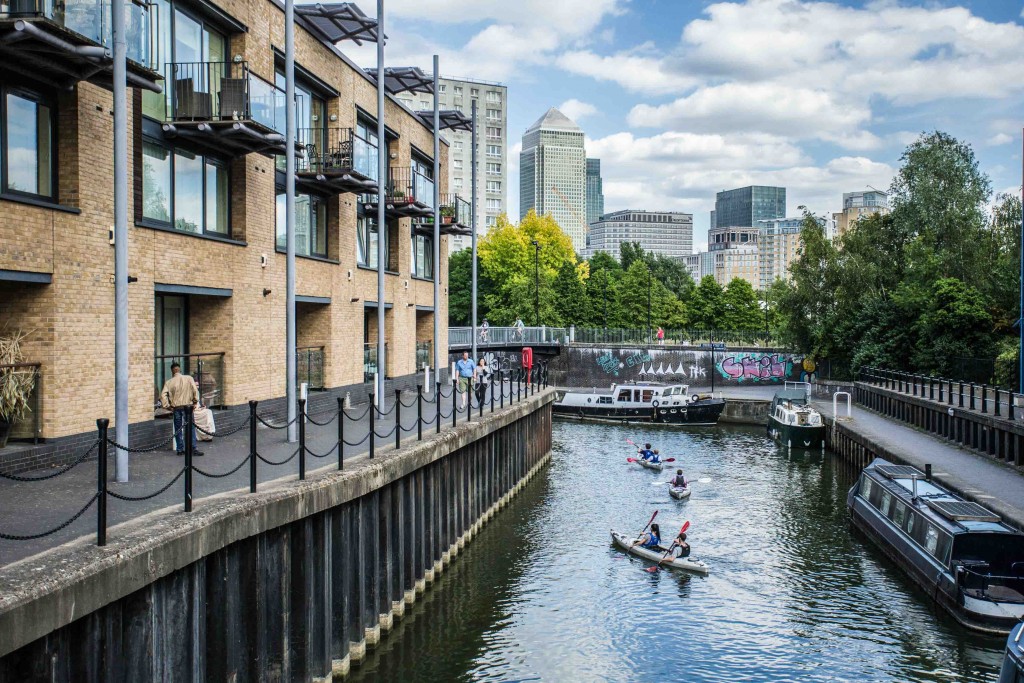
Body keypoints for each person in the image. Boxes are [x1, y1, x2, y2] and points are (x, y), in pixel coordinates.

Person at [160, 362, 204, 456]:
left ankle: (180, 449)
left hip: (176, 408)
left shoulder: (169, 382)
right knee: (190, 428)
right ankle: (193, 448)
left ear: (172, 371)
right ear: (179, 369)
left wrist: (168, 406)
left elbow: (163, 395)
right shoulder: (189, 378)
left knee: (178, 429)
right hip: (188, 407)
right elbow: (195, 390)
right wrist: (195, 402)